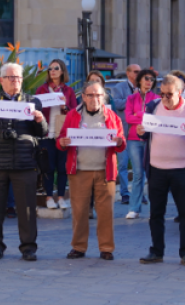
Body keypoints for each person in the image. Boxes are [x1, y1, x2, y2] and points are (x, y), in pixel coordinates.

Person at [0, 62, 47, 260]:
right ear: (1, 80)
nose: (15, 81)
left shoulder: (33, 102)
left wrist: (41, 121)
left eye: (18, 78)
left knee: (27, 210)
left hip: (25, 163)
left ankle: (28, 247)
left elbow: (43, 133)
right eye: (11, 77)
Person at [137, 73, 185, 266]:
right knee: (156, 213)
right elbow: (145, 134)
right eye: (162, 94)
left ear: (180, 92)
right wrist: (140, 132)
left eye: (169, 94)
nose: (165, 98)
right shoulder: (153, 107)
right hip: (157, 169)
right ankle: (156, 251)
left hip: (182, 169)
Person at [58, 78, 127, 259]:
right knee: (79, 211)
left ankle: (106, 248)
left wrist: (119, 141)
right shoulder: (73, 115)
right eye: (90, 95)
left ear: (103, 97)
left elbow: (121, 143)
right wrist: (63, 142)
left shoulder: (112, 117)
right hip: (79, 170)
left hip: (105, 171)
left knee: (105, 212)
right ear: (83, 97)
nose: (94, 98)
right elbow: (61, 140)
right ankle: (79, 247)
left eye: (98, 95)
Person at [35, 58, 77, 210]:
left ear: (62, 71)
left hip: (62, 134)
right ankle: (48, 198)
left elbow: (74, 112)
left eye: (56, 68)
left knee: (62, 167)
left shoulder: (68, 91)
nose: (52, 70)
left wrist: (64, 106)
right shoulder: (42, 89)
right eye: (50, 68)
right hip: (46, 133)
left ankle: (60, 197)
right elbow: (35, 107)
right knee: (48, 167)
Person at [124, 68, 159, 219]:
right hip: (133, 139)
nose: (148, 81)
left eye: (151, 79)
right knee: (138, 174)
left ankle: (155, 209)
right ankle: (134, 208)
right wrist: (144, 117)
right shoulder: (131, 98)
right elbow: (128, 118)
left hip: (151, 138)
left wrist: (138, 115)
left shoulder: (157, 98)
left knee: (153, 174)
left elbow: (157, 119)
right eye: (146, 78)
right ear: (139, 80)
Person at [107, 64, 141, 204]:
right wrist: (133, 98)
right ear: (128, 73)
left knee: (139, 166)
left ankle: (138, 194)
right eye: (136, 71)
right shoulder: (119, 88)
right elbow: (117, 104)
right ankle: (125, 193)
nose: (139, 74)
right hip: (123, 132)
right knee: (123, 164)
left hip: (138, 133)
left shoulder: (143, 88)